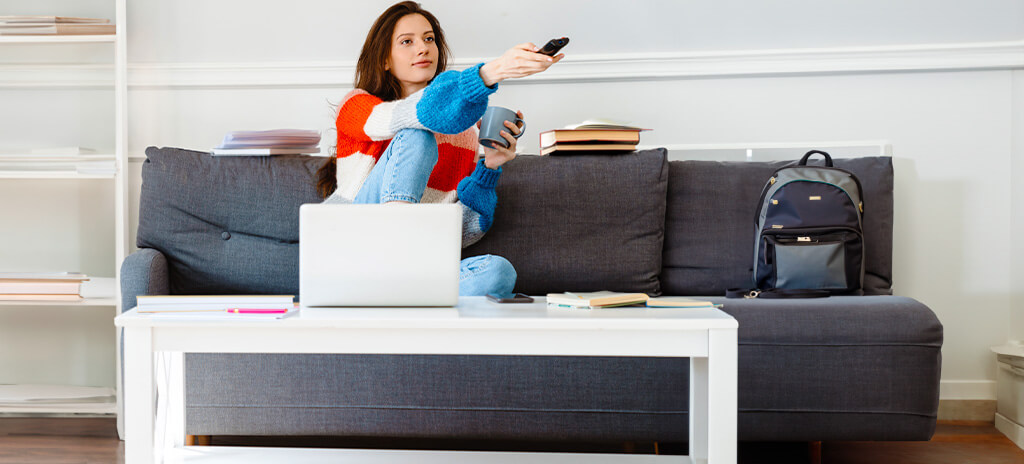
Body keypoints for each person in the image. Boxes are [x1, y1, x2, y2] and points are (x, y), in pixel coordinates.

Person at [315, 1, 563, 296]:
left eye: (429, 39)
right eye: (407, 42)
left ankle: (391, 290)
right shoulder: (356, 106)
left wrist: (491, 166)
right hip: (354, 244)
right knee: (417, 136)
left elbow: (464, 232)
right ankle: (396, 266)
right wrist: (492, 71)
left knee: (498, 272)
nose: (422, 48)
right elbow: (413, 115)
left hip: (412, 266)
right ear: (384, 59)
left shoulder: (464, 135)